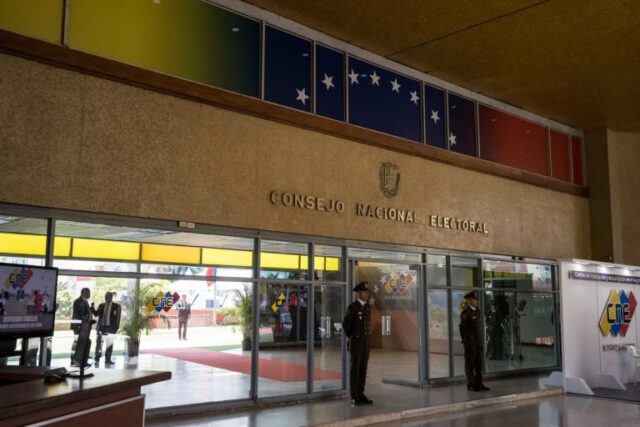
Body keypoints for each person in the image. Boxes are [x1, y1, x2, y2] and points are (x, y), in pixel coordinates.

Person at [342, 281, 373, 406]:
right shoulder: (353, 307)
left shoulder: (367, 307)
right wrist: (354, 338)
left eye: (367, 292)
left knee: (363, 370)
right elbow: (346, 326)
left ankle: (361, 393)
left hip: (365, 344)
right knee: (355, 370)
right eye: (364, 292)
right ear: (358, 293)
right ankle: (354, 396)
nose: (366, 294)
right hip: (356, 344)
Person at [459, 291, 490, 391]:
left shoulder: (477, 311)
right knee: (470, 363)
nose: (476, 301)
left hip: (478, 341)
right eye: (474, 300)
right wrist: (465, 339)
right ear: (468, 301)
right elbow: (462, 328)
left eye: (476, 300)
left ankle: (479, 383)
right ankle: (471, 384)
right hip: (470, 341)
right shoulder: (465, 313)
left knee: (478, 363)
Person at [94, 292, 121, 366]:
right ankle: (97, 359)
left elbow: (118, 318)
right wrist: (92, 308)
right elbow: (96, 314)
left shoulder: (116, 306)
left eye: (108, 297)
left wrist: (115, 328)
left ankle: (107, 360)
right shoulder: (101, 305)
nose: (106, 298)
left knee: (109, 345)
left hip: (111, 328)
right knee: (99, 344)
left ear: (111, 297)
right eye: (105, 297)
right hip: (101, 327)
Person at [70, 287, 95, 365]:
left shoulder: (85, 301)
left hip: (84, 326)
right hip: (78, 326)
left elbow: (87, 313)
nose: (89, 294)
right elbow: (79, 314)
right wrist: (84, 322)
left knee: (83, 342)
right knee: (77, 341)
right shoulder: (78, 301)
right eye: (88, 292)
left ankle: (82, 359)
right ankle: (74, 358)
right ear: (83, 293)